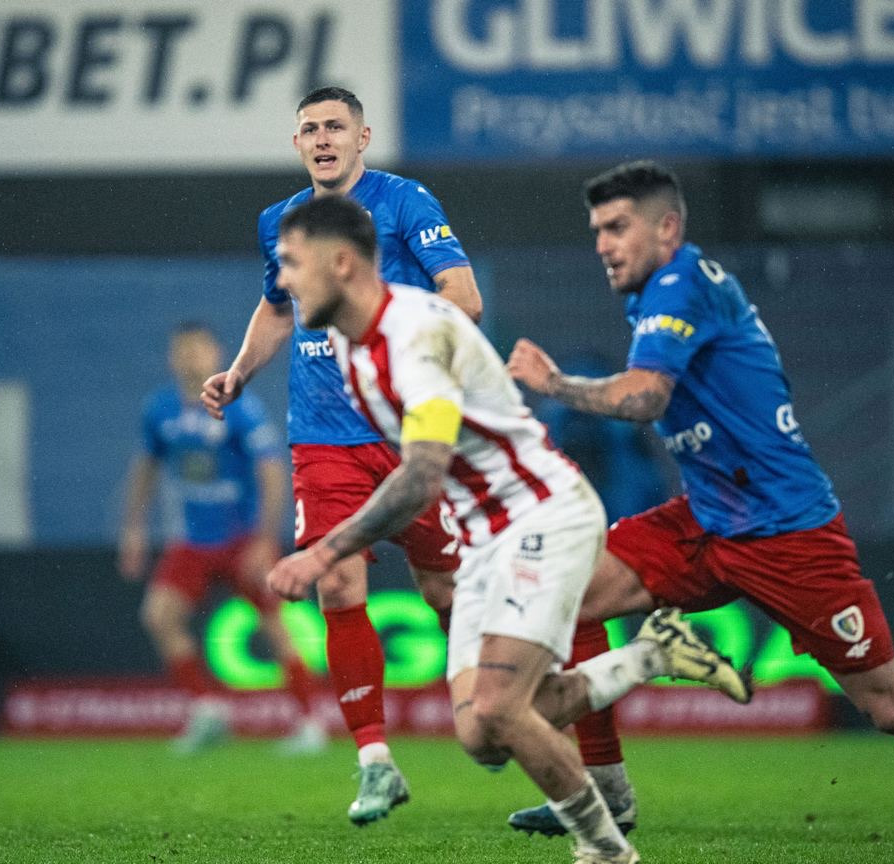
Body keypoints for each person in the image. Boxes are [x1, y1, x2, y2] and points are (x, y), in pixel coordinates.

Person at [505, 160, 894, 833]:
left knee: (892, 707)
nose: (603, 244)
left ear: (668, 228)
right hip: (708, 517)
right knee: (568, 593)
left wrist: (555, 384)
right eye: (597, 229)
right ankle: (606, 795)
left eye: (618, 227)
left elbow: (646, 397)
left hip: (786, 532)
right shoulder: (659, 291)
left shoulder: (680, 286)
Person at [263, 195, 751, 864]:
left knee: (499, 710)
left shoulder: (414, 335)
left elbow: (422, 475)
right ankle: (651, 656)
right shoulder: (350, 348)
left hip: (541, 513)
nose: (284, 280)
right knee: (480, 735)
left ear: (342, 263)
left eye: (293, 263)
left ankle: (606, 850)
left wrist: (326, 551)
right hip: (485, 537)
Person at [200, 85, 620, 826]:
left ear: (362, 139)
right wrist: (239, 372)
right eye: (309, 129)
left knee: (448, 592)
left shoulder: (403, 202)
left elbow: (466, 297)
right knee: (336, 584)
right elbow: (276, 306)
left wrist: (389, 342)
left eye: (336, 127)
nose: (322, 139)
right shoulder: (280, 223)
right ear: (296, 144)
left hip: (411, 434)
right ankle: (375, 761)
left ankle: (533, 726)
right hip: (323, 437)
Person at [118, 322, 325, 754]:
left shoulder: (239, 407)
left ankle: (309, 721)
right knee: (158, 616)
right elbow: (146, 467)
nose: (189, 358)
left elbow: (271, 472)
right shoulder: (160, 410)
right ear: (171, 358)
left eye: (197, 349)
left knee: (274, 625)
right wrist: (133, 528)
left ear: (216, 354)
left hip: (241, 538)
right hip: (193, 539)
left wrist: (264, 540)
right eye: (181, 350)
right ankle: (208, 709)